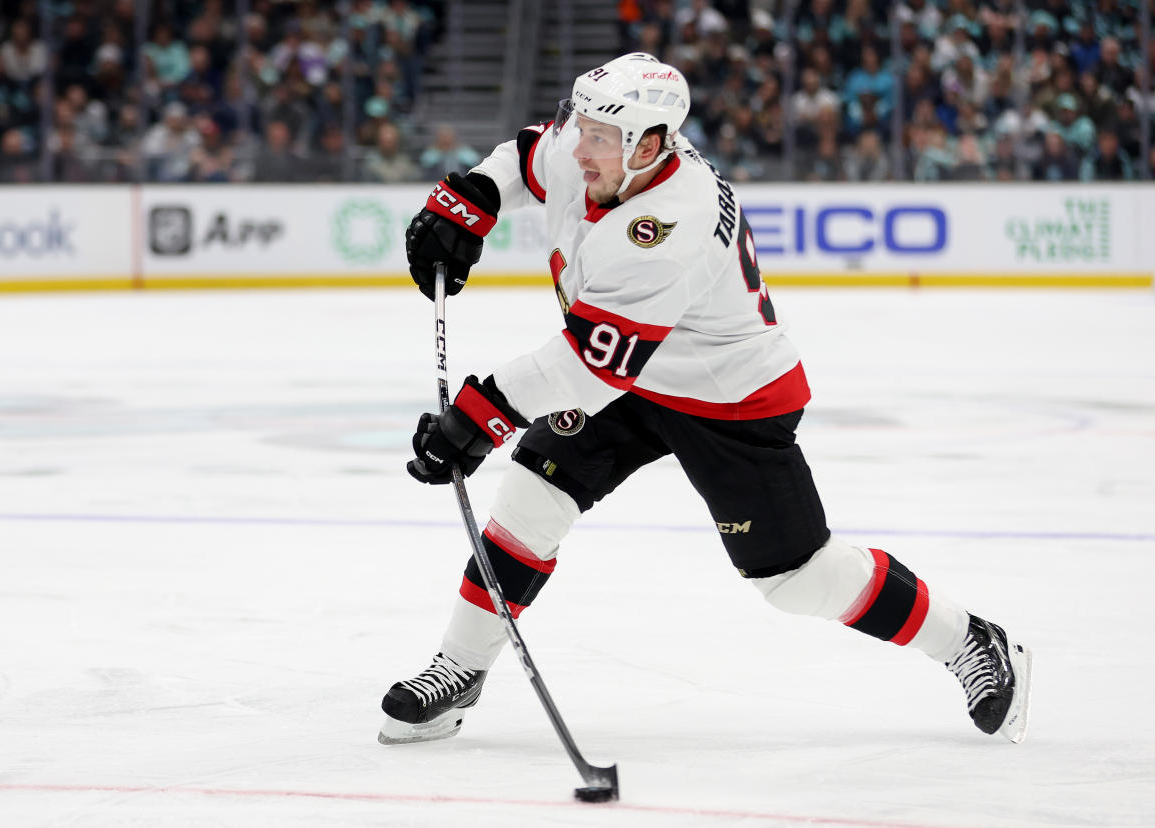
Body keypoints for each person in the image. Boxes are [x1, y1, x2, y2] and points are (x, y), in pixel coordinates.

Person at [378, 53, 1032, 749]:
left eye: (602, 136)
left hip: (726, 397)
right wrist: (473, 197)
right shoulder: (606, 149)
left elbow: (583, 371)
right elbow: (527, 156)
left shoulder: (666, 228)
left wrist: (476, 419)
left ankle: (970, 640)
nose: (581, 145)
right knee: (530, 503)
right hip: (631, 373)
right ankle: (461, 665)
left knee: (796, 579)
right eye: (587, 127)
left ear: (651, 144)